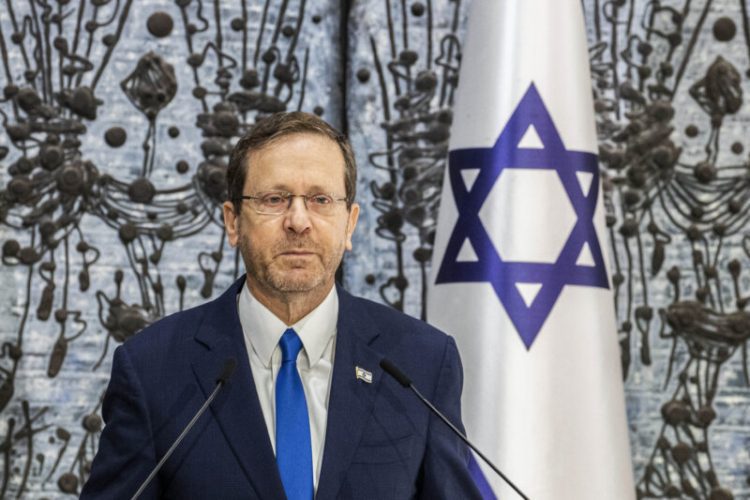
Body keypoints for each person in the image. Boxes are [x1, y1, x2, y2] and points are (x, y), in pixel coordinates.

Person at [81, 112, 481, 499]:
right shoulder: (153, 370)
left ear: (350, 223)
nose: (298, 221)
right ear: (233, 222)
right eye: (274, 199)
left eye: (321, 199)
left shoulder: (420, 364)